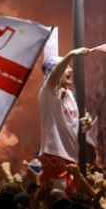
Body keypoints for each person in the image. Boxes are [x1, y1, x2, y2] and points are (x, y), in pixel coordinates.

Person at [38, 47, 92, 193]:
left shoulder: (69, 96)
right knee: (58, 202)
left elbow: (72, 124)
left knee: (72, 202)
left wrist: (85, 123)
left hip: (72, 157)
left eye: (69, 66)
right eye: (64, 66)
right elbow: (54, 76)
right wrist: (71, 54)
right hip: (55, 155)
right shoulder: (48, 91)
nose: (69, 70)